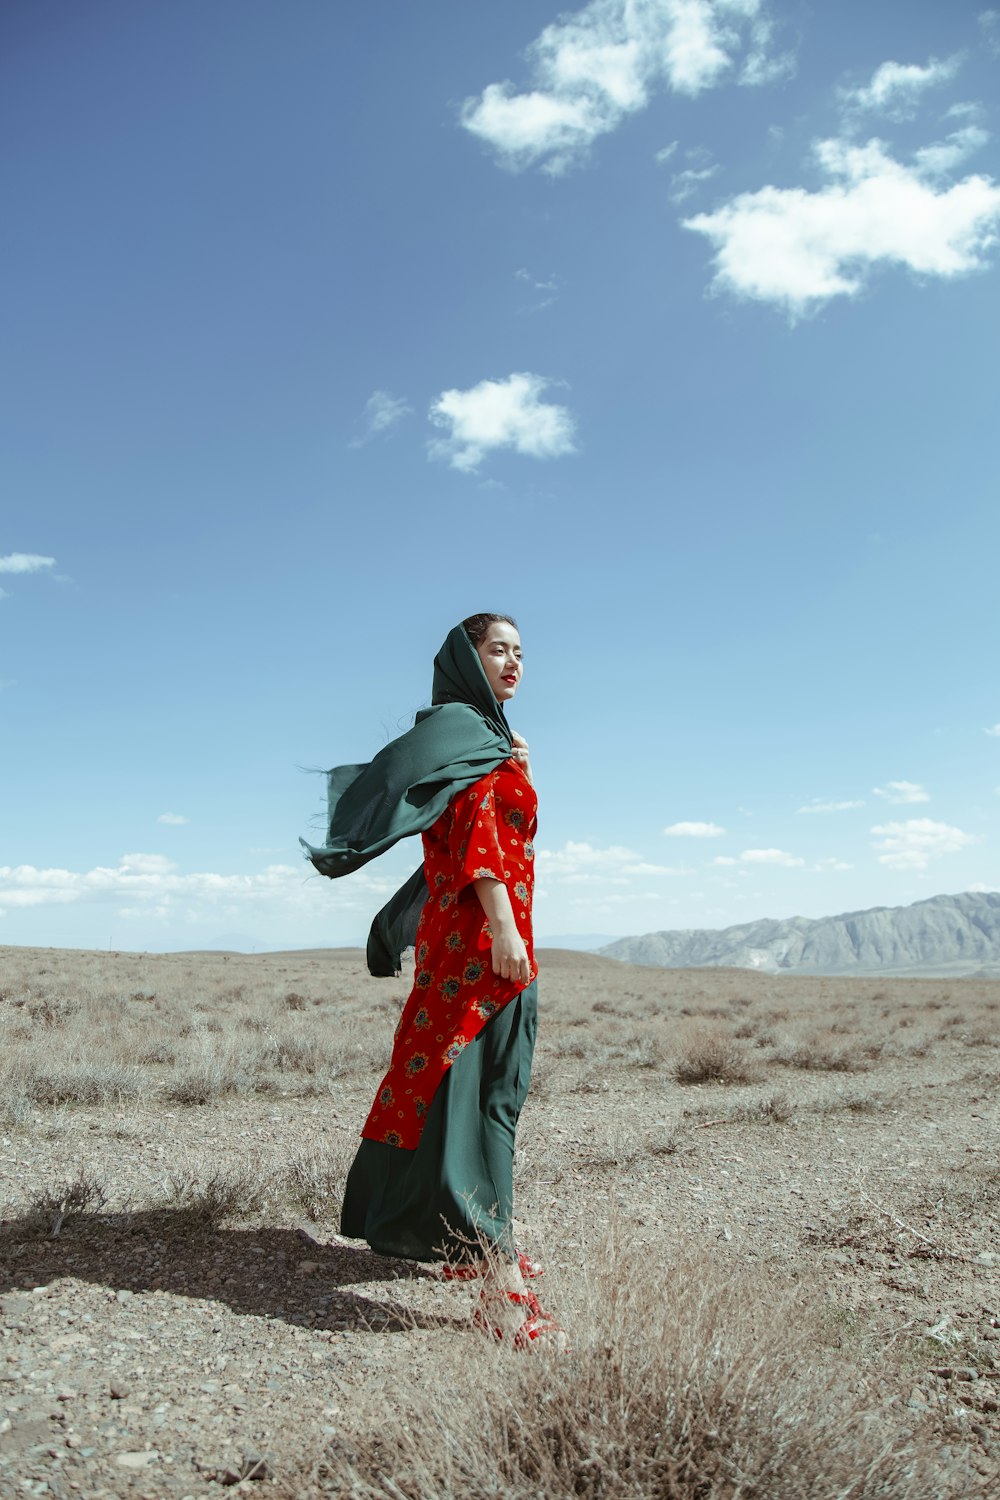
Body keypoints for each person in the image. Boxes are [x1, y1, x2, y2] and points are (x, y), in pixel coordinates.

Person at [302, 614, 562, 1348]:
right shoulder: (466, 735)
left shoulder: (484, 738)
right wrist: (505, 931)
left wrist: (526, 774)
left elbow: (501, 832)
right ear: (466, 659)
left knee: (475, 1099)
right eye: (497, 649)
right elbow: (480, 840)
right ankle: (498, 1284)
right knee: (474, 1107)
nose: (512, 661)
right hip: (484, 951)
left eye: (519, 652)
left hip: (484, 945)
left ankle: (471, 1244)